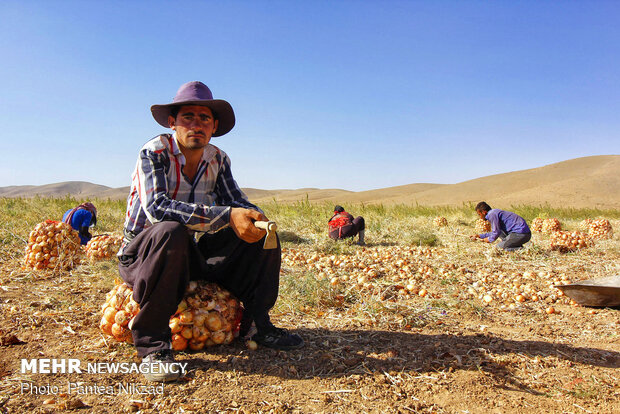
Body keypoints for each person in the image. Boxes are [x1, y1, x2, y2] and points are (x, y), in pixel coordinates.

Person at [118, 81, 303, 382]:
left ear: (214, 126)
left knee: (259, 234)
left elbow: (235, 201)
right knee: (170, 230)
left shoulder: (217, 159)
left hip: (183, 255)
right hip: (144, 255)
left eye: (204, 119)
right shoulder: (154, 153)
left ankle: (258, 325)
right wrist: (228, 215)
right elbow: (158, 209)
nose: (196, 125)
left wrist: (254, 216)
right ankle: (152, 345)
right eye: (187, 117)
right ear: (172, 123)